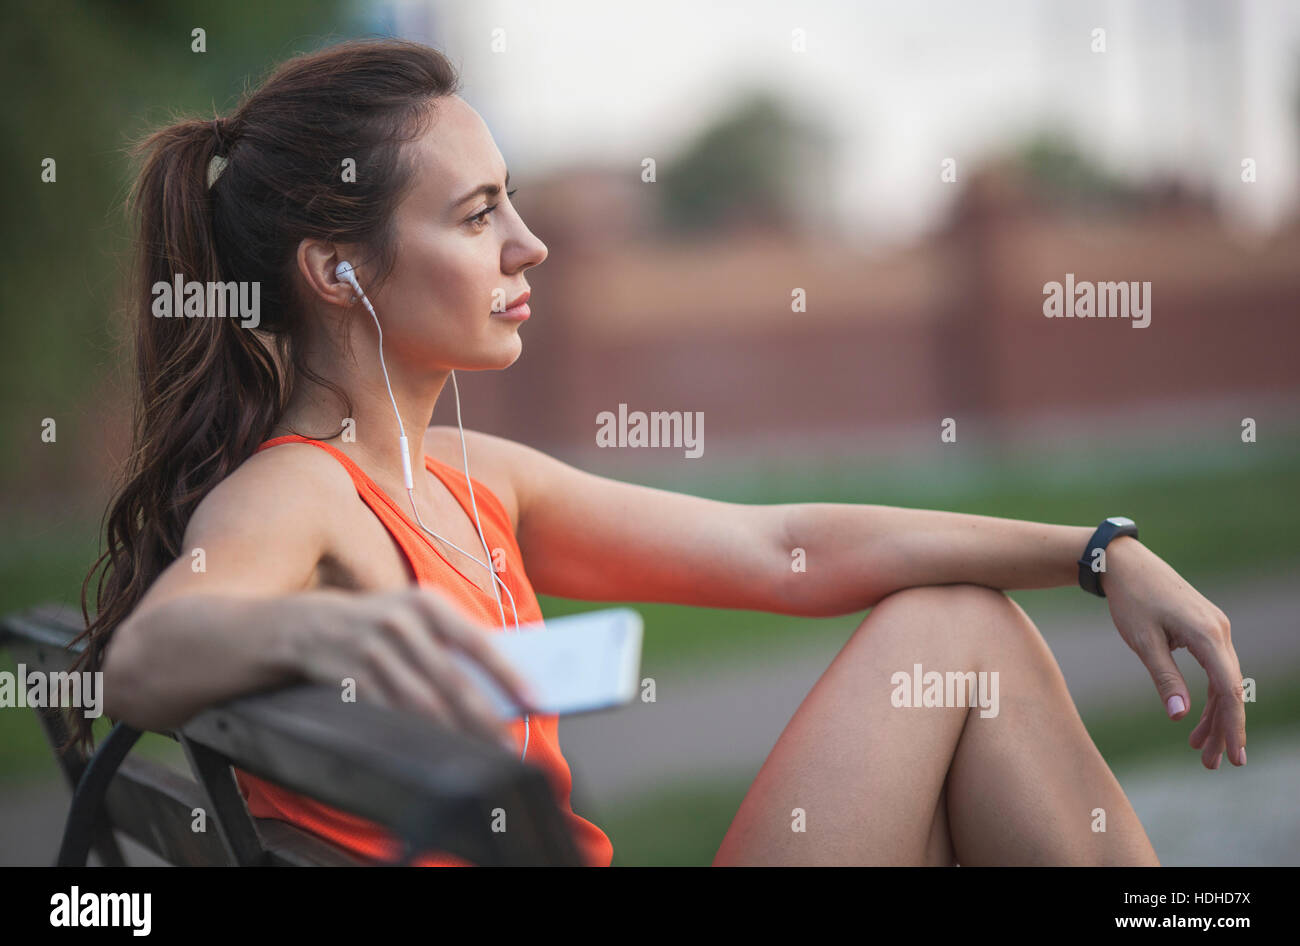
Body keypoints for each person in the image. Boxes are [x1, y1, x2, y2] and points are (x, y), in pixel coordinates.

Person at [71, 38, 1245, 867]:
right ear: (338, 269)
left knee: (962, 658)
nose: (529, 245)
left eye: (512, 204)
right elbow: (146, 658)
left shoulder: (476, 485)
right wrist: (320, 624)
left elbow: (782, 547)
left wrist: (1097, 552)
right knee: (962, 634)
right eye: (477, 216)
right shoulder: (299, 490)